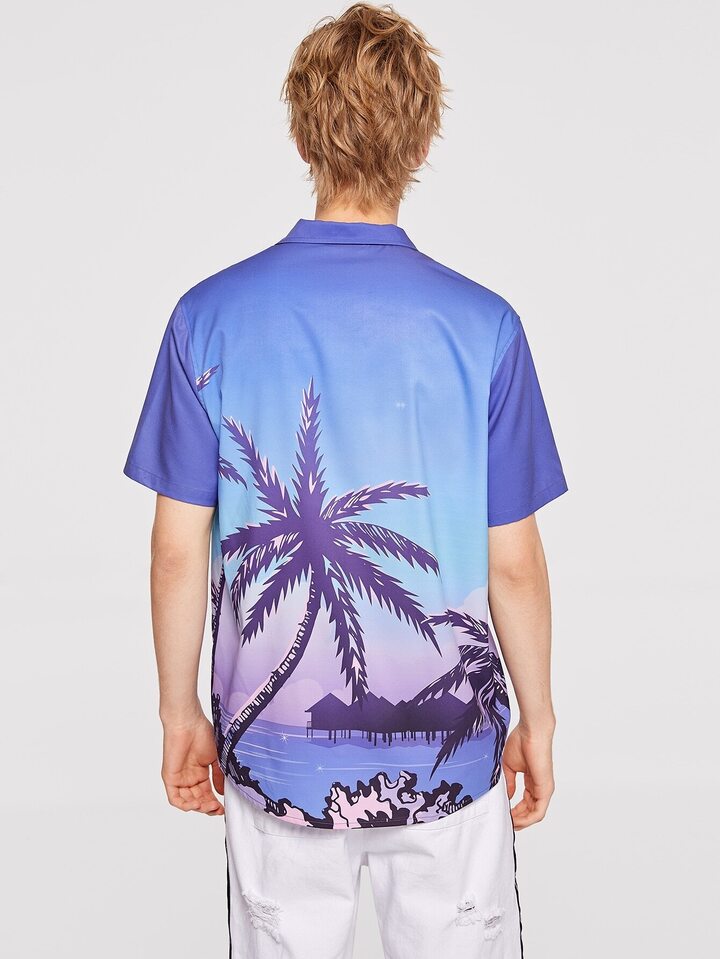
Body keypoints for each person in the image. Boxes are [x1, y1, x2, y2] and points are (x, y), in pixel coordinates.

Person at [124, 4, 568, 956]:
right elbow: (514, 564)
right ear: (423, 141)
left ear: (300, 134)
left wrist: (178, 711)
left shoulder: (208, 317)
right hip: (452, 760)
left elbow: (176, 549)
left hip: (272, 761)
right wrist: (537, 716)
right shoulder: (484, 327)